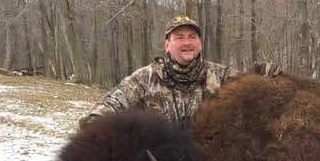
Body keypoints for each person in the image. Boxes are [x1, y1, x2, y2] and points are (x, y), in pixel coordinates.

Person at [79, 15, 280, 128]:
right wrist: (95, 121)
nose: (186, 43)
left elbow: (250, 84)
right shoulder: (144, 78)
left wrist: (265, 74)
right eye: (179, 37)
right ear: (167, 45)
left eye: (192, 37)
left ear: (200, 43)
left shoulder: (220, 75)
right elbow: (114, 101)